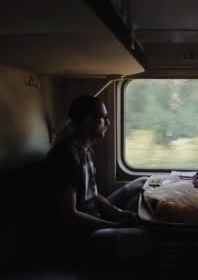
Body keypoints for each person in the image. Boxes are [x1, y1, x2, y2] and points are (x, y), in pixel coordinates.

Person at [45, 95, 147, 236]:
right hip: (80, 232)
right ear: (88, 121)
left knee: (142, 182)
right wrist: (115, 226)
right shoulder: (66, 157)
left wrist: (120, 213)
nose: (108, 123)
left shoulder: (88, 151)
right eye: (104, 117)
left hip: (94, 214)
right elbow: (69, 215)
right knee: (143, 236)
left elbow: (92, 194)